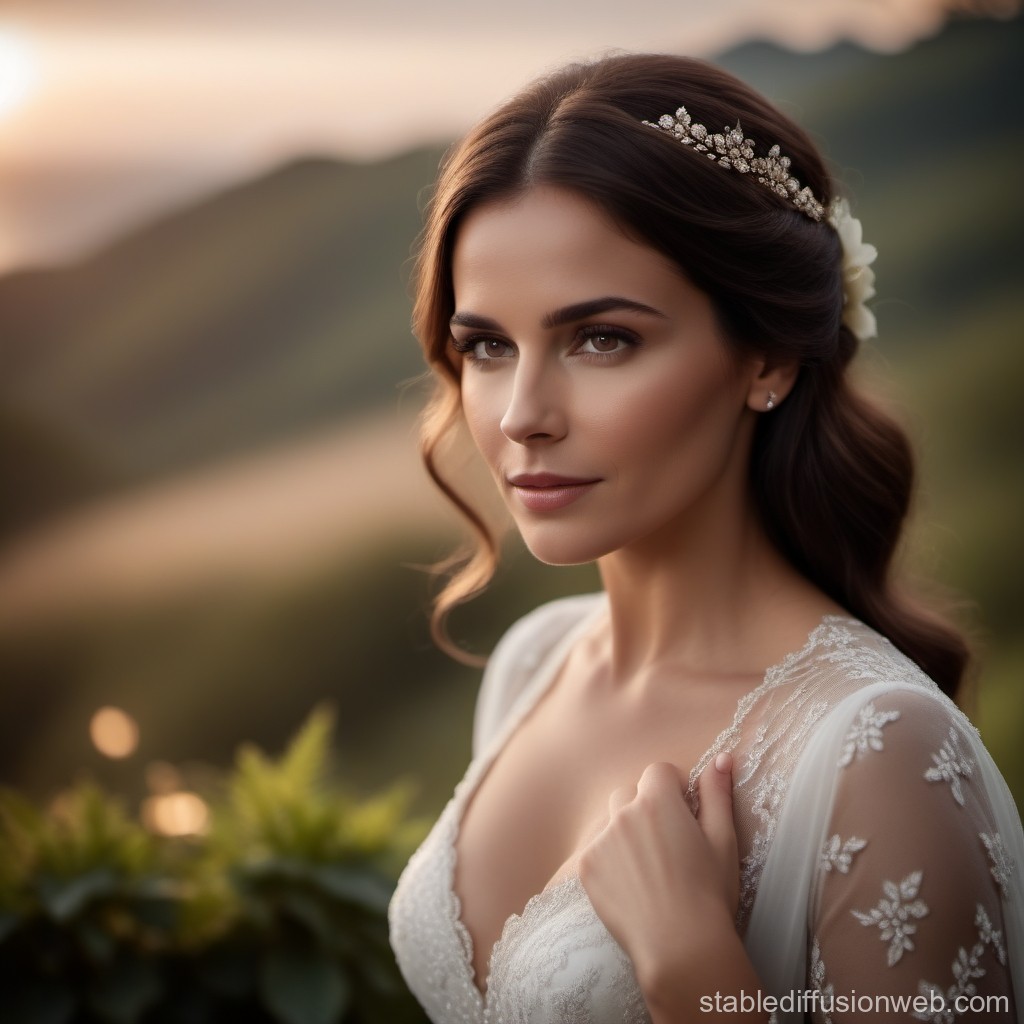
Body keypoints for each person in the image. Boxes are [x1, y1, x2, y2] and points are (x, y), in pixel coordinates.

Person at [387, 53, 1024, 1023]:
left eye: (600, 337)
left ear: (764, 356)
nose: (521, 415)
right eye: (487, 346)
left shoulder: (877, 751)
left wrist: (696, 975)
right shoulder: (536, 663)